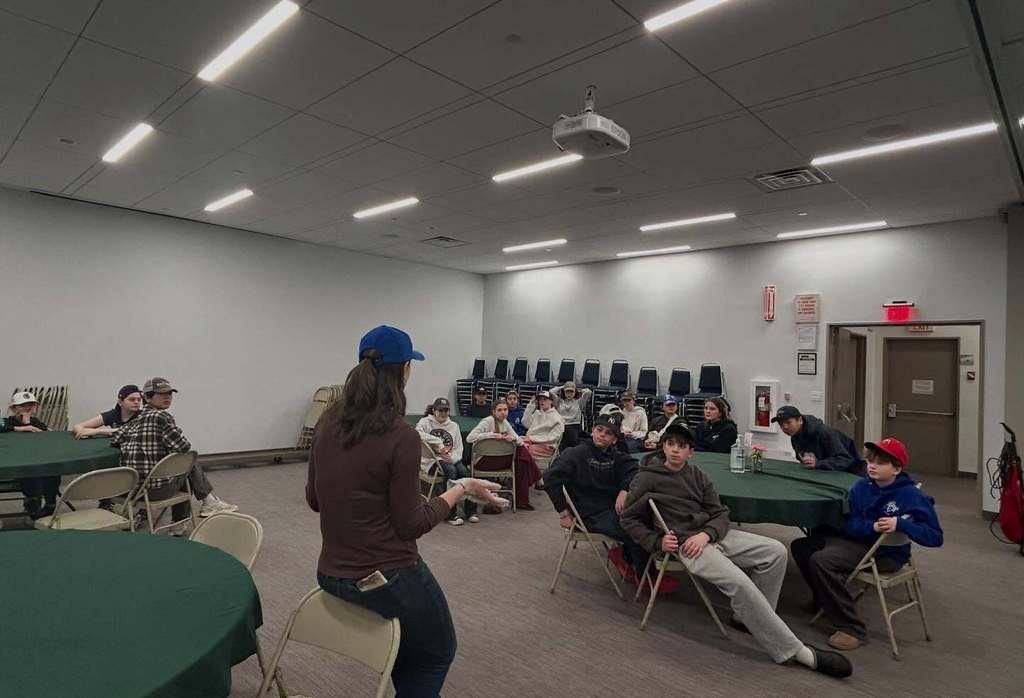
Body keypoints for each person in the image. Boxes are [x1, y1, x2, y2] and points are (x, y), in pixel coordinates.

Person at [306, 325, 505, 696]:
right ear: (404, 371)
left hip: (330, 573)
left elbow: (315, 499)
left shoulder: (327, 422)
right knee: (436, 652)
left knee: (410, 647)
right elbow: (410, 523)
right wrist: (460, 488)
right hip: (387, 577)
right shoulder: (401, 436)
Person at [620, 423, 853, 679]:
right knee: (740, 584)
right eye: (671, 444)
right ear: (664, 446)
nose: (675, 450)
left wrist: (707, 533)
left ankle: (749, 619)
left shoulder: (697, 475)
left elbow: (720, 512)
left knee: (776, 551)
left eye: (682, 446)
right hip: (685, 545)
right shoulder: (647, 477)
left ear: (691, 452)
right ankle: (795, 650)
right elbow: (629, 519)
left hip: (708, 534)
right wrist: (656, 541)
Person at [790, 438, 943, 651]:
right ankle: (824, 598)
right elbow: (851, 525)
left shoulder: (911, 495)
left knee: (822, 560)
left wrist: (902, 525)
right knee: (802, 546)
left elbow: (935, 537)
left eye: (880, 462)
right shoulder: (861, 487)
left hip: (887, 553)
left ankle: (852, 628)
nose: (872, 465)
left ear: (897, 468)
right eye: (870, 460)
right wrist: (871, 527)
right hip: (862, 540)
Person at [111, 377, 236, 525]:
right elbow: (184, 447)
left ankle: (191, 516)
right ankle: (203, 506)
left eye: (169, 394)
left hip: (132, 489)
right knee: (187, 462)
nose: (167, 397)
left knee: (180, 465)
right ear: (147, 397)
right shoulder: (162, 417)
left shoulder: (136, 418)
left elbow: (116, 437)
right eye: (161, 394)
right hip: (154, 491)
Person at [544, 412, 649, 580]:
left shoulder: (615, 455)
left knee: (645, 517)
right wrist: (563, 513)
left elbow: (634, 470)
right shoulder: (576, 453)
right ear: (592, 431)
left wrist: (625, 489)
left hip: (610, 510)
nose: (602, 435)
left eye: (609, 433)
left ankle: (628, 559)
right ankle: (644, 574)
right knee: (638, 530)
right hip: (587, 514)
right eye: (600, 429)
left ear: (614, 439)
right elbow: (550, 478)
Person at [467, 398, 542, 510]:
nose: (503, 412)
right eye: (500, 410)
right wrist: (492, 435)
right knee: (522, 453)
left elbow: (519, 440)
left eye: (505, 409)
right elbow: (470, 438)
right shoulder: (487, 421)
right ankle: (537, 477)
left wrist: (512, 439)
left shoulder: (505, 422)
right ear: (494, 412)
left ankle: (521, 501)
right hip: (483, 461)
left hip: (499, 459)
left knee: (522, 462)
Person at [2, 391, 59, 518]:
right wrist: (19, 428)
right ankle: (32, 504)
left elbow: (45, 436)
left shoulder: (36, 422)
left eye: (31, 405)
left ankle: (50, 504)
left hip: (39, 462)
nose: (27, 408)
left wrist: (28, 423)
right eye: (23, 405)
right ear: (13, 408)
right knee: (30, 473)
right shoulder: (7, 422)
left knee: (53, 471)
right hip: (17, 465)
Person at [417, 398, 473, 526]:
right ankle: (449, 513)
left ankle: (470, 511)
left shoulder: (454, 426)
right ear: (434, 410)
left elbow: (459, 448)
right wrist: (439, 443)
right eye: (440, 410)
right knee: (451, 472)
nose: (443, 413)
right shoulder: (425, 422)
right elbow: (417, 433)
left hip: (450, 458)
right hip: (432, 460)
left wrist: (452, 458)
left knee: (465, 472)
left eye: (446, 410)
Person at [772, 406, 865, 475]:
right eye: (781, 424)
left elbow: (845, 459)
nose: (785, 427)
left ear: (799, 420)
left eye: (788, 422)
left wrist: (818, 463)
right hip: (823, 474)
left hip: (849, 475)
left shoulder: (824, 433)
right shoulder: (795, 436)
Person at [73, 384, 143, 439]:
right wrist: (81, 432)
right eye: (132, 399)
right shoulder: (113, 414)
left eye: (139, 400)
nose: (136, 402)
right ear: (120, 402)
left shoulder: (143, 416)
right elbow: (78, 426)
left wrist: (98, 431)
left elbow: (128, 432)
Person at [521, 390, 564, 461]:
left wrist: (532, 438)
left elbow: (552, 438)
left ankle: (527, 470)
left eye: (545, 399)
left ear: (551, 401)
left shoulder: (557, 418)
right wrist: (531, 405)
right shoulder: (537, 413)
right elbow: (525, 423)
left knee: (523, 450)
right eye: (540, 399)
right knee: (515, 444)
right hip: (531, 442)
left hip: (546, 447)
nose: (542, 401)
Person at [551, 381, 592, 448]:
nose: (569, 394)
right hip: (561, 426)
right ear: (564, 392)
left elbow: (588, 392)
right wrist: (562, 387)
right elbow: (551, 392)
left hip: (574, 426)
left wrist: (578, 390)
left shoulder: (579, 402)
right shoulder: (559, 402)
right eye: (567, 392)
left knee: (571, 437)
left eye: (571, 392)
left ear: (575, 392)